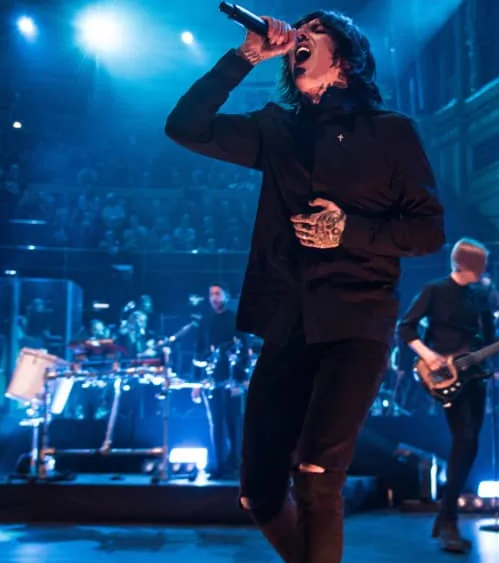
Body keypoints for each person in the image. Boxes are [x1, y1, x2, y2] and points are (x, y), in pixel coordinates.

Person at [165, 10, 445, 562]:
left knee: (317, 471)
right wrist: (244, 56)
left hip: (356, 319)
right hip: (287, 321)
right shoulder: (277, 128)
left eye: (314, 31)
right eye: (298, 30)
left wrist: (349, 229)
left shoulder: (389, 131)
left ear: (344, 57)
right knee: (258, 492)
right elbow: (185, 127)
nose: (300, 36)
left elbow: (428, 229)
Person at [398, 240, 499, 553]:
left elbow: (491, 341)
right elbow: (406, 329)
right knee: (465, 438)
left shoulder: (481, 296)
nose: (484, 271)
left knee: (470, 444)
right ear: (463, 264)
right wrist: (430, 357)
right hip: (444, 374)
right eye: (480, 264)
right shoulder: (435, 290)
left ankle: (446, 514)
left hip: (476, 377)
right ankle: (448, 521)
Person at [194, 284, 247, 480]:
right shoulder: (205, 321)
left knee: (234, 422)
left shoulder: (235, 318)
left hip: (232, 379)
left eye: (217, 293)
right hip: (211, 380)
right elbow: (198, 352)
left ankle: (236, 464)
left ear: (226, 295)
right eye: (211, 294)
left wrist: (241, 380)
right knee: (216, 423)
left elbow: (244, 350)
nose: (214, 298)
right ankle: (218, 464)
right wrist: (197, 382)